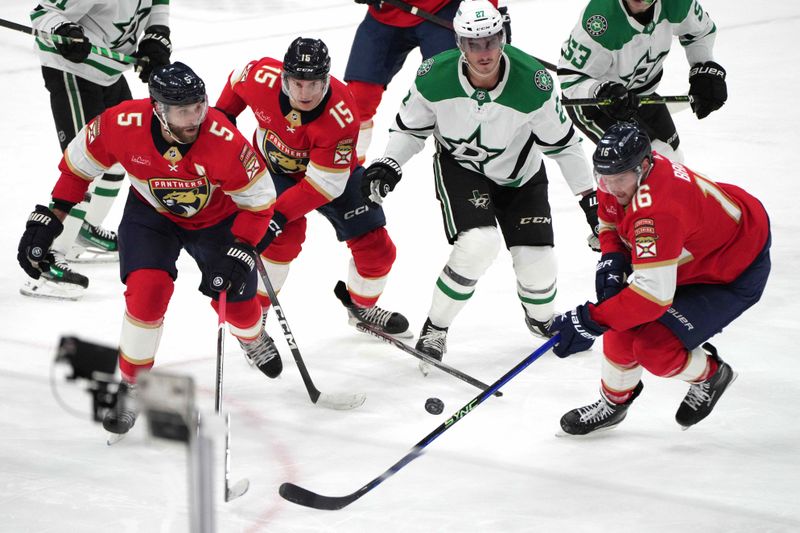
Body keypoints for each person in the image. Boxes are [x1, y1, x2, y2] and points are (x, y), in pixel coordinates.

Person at [17, 63, 280, 435]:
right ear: (158, 109)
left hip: (217, 220)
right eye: (182, 111)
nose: (194, 119)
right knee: (146, 293)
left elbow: (259, 203)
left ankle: (253, 338)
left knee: (237, 300)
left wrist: (242, 247)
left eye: (199, 107)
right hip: (151, 217)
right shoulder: (120, 124)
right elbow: (77, 169)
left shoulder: (224, 139)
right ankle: (132, 384)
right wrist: (52, 216)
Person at [361, 0, 597, 370]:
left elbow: (565, 146)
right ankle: (435, 327)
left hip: (521, 175)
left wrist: (591, 199)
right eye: (474, 43)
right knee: (479, 244)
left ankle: (541, 320)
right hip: (462, 169)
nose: (483, 52)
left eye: (490, 41)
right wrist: (389, 162)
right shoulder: (432, 76)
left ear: (503, 37)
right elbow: (410, 129)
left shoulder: (535, 83)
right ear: (459, 43)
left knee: (539, 268)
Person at [548, 123, 771, 434]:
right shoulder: (620, 173)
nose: (611, 188)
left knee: (653, 348)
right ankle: (614, 403)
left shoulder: (657, 212)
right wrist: (612, 259)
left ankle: (712, 375)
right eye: (604, 179)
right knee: (620, 319)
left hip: (731, 269)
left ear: (643, 167)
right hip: (694, 252)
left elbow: (652, 298)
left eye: (619, 180)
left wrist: (590, 319)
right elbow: (610, 221)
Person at [214, 37, 411, 337]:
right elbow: (235, 80)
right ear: (284, 78)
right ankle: (257, 315)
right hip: (275, 172)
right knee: (283, 242)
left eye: (314, 84)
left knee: (376, 247)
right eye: (296, 83)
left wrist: (277, 216)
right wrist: (224, 118)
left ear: (326, 81)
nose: (304, 93)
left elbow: (323, 186)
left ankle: (362, 310)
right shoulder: (261, 77)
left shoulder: (342, 113)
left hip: (329, 176)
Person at [24, 0, 174, 300]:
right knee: (84, 166)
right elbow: (42, 13)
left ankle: (84, 227)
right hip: (72, 71)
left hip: (108, 70)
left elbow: (158, 5)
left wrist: (156, 34)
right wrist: (63, 30)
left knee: (123, 156)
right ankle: (48, 256)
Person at [557, 0, 727, 162]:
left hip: (642, 93)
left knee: (672, 155)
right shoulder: (600, 22)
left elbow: (700, 31)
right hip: (597, 105)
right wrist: (600, 91)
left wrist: (703, 70)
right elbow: (571, 79)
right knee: (648, 161)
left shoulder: (677, 3)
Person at [345, 0, 507, 163]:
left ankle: (472, 164)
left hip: (443, 7)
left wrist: (490, 10)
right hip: (387, 11)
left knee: (455, 93)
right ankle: (347, 171)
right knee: (359, 97)